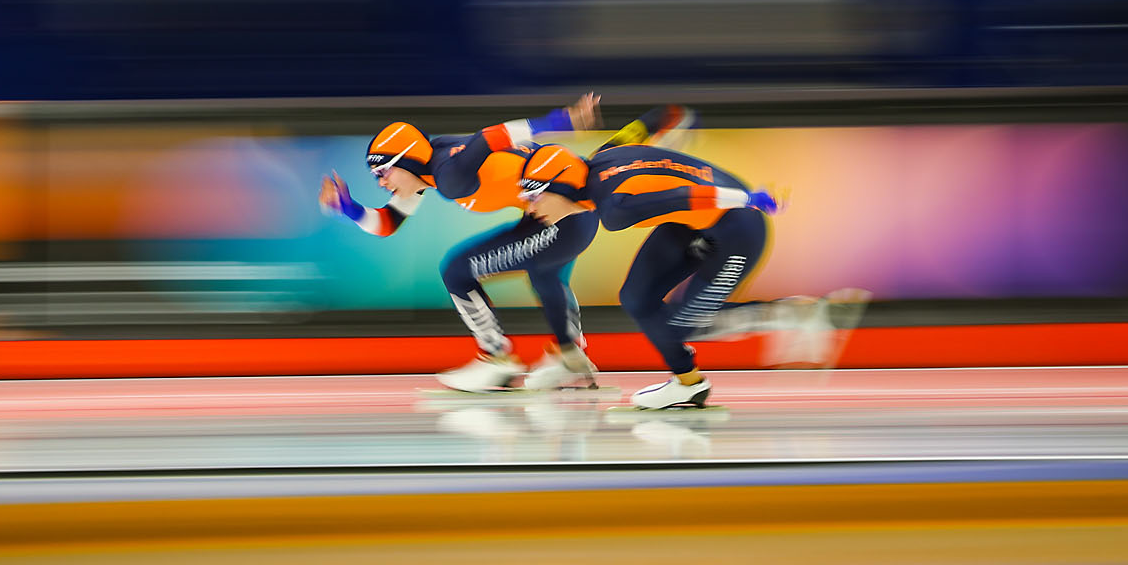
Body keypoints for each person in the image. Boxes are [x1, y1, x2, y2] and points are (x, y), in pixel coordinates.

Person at [319, 94, 603, 392]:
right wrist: (348, 208)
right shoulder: (428, 171)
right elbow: (388, 223)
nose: (381, 182)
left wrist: (559, 121)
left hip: (568, 216)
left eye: (383, 171)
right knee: (543, 275)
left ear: (408, 162)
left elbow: (491, 137)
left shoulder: (450, 175)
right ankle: (570, 358)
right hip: (567, 213)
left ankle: (498, 359)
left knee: (458, 271)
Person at [585, 107, 781, 409]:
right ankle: (688, 384)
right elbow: (647, 124)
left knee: (680, 327)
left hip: (739, 224)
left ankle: (786, 314)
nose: (534, 213)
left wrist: (748, 199)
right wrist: (677, 116)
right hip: (693, 222)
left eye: (534, 202)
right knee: (637, 298)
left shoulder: (615, 210)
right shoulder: (602, 155)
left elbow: (681, 196)